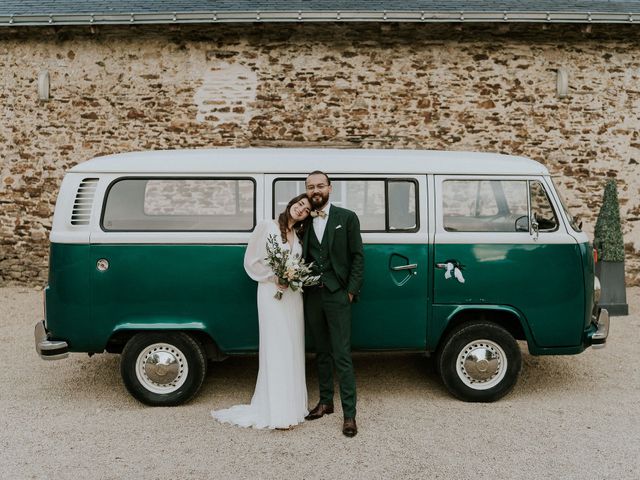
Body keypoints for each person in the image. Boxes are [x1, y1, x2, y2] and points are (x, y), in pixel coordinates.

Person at [211, 194, 312, 430]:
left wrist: (293, 277)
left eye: (306, 209)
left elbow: (296, 264)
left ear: (307, 216)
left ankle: (292, 406)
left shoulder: (298, 236)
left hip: (292, 296)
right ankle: (276, 410)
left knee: (292, 346)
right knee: (275, 345)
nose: (300, 210)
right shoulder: (267, 226)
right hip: (270, 292)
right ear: (291, 204)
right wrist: (272, 276)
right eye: (299, 204)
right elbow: (251, 260)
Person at [302, 171, 364, 437]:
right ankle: (325, 402)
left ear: (330, 188)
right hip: (312, 295)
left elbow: (358, 258)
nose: (315, 190)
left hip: (338, 293)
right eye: (310, 187)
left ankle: (349, 415)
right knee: (321, 352)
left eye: (319, 186)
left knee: (342, 354)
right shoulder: (303, 220)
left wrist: (349, 291)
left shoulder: (347, 218)